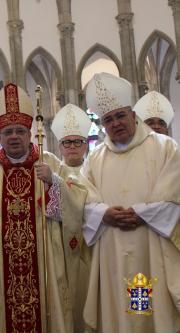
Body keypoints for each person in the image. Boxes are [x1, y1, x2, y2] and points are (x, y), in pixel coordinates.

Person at [0, 83, 87, 333]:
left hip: (44, 268)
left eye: (19, 131)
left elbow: (78, 207)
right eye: (8, 132)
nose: (14, 136)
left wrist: (54, 182)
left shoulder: (50, 164)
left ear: (30, 134)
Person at [82, 72, 180, 333]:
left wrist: (141, 214)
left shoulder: (165, 148)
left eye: (120, 115)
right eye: (108, 120)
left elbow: (174, 196)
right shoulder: (94, 159)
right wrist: (104, 214)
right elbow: (82, 200)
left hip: (151, 248)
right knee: (119, 314)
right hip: (111, 251)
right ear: (102, 124)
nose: (115, 123)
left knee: (145, 310)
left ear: (132, 114)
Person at [50, 102, 92, 332]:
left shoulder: (95, 171)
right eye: (67, 142)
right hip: (61, 248)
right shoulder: (53, 174)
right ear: (60, 147)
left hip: (93, 247)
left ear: (86, 145)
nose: (72, 146)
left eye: (78, 142)